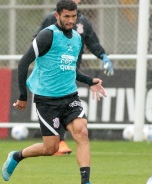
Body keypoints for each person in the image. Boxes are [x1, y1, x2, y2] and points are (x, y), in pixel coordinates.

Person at [1, 1, 106, 184]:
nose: (71, 20)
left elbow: (69, 68)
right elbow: (23, 63)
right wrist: (23, 96)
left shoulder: (76, 38)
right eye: (66, 16)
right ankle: (17, 156)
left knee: (81, 132)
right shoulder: (47, 36)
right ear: (57, 15)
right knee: (51, 148)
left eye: (74, 16)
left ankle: (85, 181)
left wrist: (90, 81)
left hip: (70, 96)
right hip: (47, 100)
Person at [36, 0, 114, 155]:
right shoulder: (52, 19)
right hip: (52, 74)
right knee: (58, 102)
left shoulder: (83, 21)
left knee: (68, 105)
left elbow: (92, 41)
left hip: (72, 70)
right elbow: (36, 40)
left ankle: (62, 141)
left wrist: (103, 55)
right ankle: (60, 141)